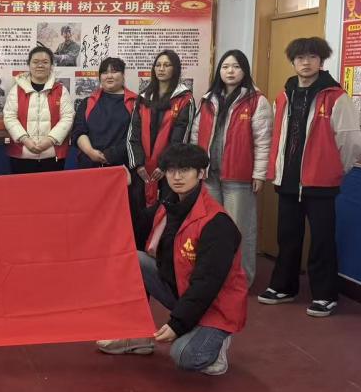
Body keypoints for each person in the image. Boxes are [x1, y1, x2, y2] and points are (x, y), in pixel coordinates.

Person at [96, 143, 248, 375]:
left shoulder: (216, 223)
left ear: (201, 173)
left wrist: (178, 324)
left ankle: (217, 343)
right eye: (171, 170)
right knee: (134, 260)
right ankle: (136, 334)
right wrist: (125, 189)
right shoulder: (170, 204)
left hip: (215, 306)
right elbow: (137, 228)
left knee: (185, 356)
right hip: (182, 289)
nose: (177, 177)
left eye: (184, 170)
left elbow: (207, 284)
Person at [257, 37, 361, 317]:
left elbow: (351, 142)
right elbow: (277, 136)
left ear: (321, 61)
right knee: (287, 238)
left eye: (312, 57)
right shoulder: (284, 96)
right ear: (293, 62)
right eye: (300, 58)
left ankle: (325, 295)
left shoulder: (336, 97)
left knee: (322, 241)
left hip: (321, 183)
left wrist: (334, 169)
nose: (306, 63)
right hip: (287, 181)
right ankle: (284, 287)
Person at [191, 49, 272, 284]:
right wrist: (196, 167)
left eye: (236, 67)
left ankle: (241, 281)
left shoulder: (256, 101)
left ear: (244, 71)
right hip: (210, 176)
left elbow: (263, 141)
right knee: (212, 229)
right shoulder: (208, 99)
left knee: (239, 230)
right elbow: (196, 135)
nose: (230, 71)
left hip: (239, 177)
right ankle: (215, 279)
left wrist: (259, 174)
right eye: (225, 67)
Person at [128, 50, 196, 205]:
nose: (161, 69)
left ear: (175, 69)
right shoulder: (143, 98)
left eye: (167, 65)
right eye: (158, 65)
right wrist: (138, 165)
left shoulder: (185, 99)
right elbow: (133, 134)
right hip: (141, 171)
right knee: (140, 211)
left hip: (169, 170)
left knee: (166, 210)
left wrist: (164, 165)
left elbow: (181, 138)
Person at [3, 46, 74, 173]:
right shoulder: (16, 90)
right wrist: (25, 139)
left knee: (51, 186)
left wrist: (50, 140)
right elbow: (9, 116)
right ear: (29, 64)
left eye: (45, 62)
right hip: (22, 153)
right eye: (35, 62)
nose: (40, 65)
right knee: (22, 186)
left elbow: (68, 117)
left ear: (51, 65)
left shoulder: (61, 90)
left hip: (52, 153)